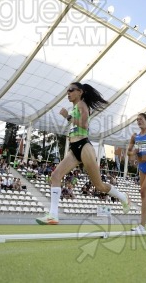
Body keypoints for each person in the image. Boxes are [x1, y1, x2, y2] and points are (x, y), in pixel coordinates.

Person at [36, 82, 131, 225]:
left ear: (80, 92)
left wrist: (67, 117)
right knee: (55, 175)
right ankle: (53, 215)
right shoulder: (75, 107)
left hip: (84, 146)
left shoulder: (81, 105)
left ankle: (123, 197)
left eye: (71, 90)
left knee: (99, 186)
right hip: (74, 148)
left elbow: (85, 125)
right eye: (67, 90)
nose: (68, 93)